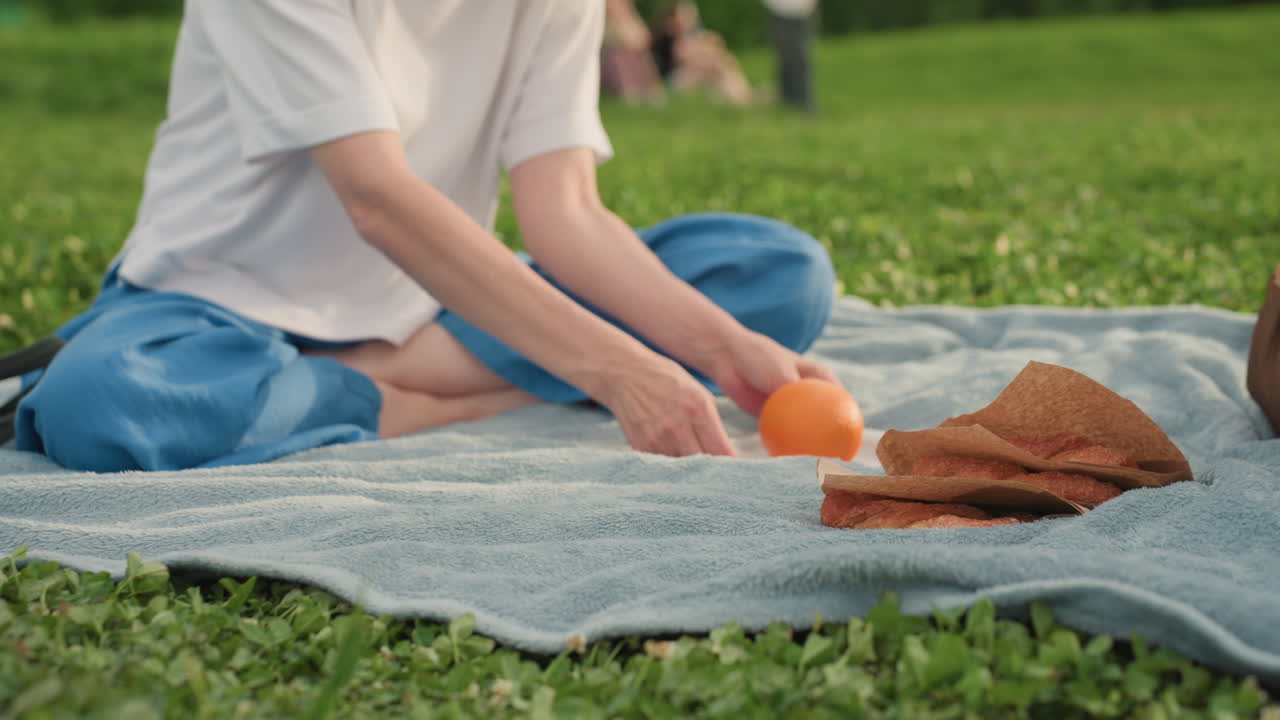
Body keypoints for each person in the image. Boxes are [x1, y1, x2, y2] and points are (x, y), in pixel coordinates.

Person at [10, 0, 840, 473]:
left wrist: (721, 349)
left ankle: (362, 380)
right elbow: (378, 197)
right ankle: (441, 394)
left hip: (435, 297)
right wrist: (626, 371)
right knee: (105, 399)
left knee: (775, 279)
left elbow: (568, 213)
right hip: (218, 308)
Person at [650, 1, 756, 106]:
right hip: (673, 80)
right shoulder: (670, 36)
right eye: (685, 14)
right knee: (717, 67)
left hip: (689, 75)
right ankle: (741, 98)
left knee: (723, 63)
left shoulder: (690, 34)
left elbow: (715, 43)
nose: (690, 18)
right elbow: (684, 58)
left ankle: (743, 95)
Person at [601, 0, 666, 105]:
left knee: (638, 49)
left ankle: (649, 88)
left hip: (625, 40)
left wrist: (638, 36)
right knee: (621, 50)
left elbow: (641, 30)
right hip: (609, 43)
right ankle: (629, 89)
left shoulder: (628, 7)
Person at [764, 0, 818, 112]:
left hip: (794, 11)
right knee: (786, 58)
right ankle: (788, 100)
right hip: (783, 10)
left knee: (797, 58)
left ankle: (804, 103)